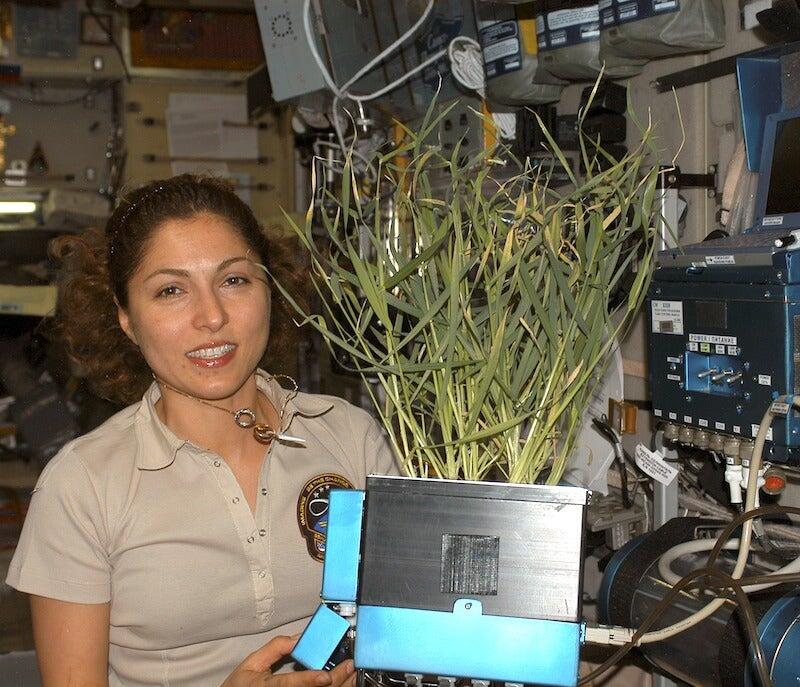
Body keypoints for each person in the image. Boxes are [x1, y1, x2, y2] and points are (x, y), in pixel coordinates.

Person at [5, 174, 398, 687]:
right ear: (126, 319)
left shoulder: (347, 437)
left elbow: (403, 634)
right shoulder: (82, 487)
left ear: (270, 291)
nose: (211, 316)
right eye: (171, 290)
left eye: (234, 280)